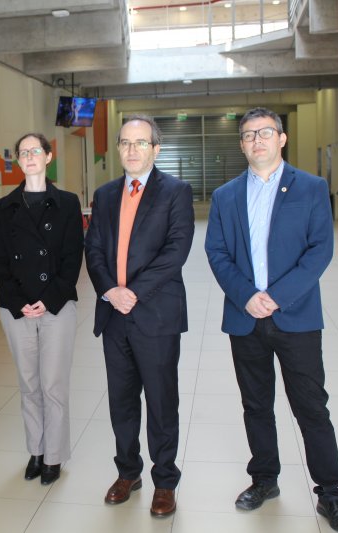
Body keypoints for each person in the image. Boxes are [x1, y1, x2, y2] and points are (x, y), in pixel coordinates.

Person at [204, 107, 338, 532]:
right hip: (245, 318)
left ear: (281, 138)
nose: (257, 140)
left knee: (311, 407)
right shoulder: (226, 196)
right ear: (241, 144)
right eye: (249, 135)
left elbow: (320, 250)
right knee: (256, 405)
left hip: (296, 316)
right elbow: (216, 252)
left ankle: (330, 494)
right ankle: (264, 480)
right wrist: (247, 297)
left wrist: (276, 297)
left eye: (265, 132)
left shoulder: (311, 187)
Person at [85, 115, 194, 518]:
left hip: (156, 314)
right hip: (114, 315)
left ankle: (165, 480)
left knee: (162, 402)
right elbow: (94, 248)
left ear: (156, 149)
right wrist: (110, 290)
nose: (132, 150)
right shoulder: (105, 195)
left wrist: (133, 291)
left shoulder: (176, 191)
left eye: (141, 143)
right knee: (122, 401)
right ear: (118, 149)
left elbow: (176, 250)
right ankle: (128, 472)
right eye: (125, 143)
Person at [0, 133, 84, 486]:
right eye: (23, 152)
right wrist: (19, 301)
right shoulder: (4, 207)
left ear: (48, 156)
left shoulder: (68, 203)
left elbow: (74, 256)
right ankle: (36, 450)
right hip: (17, 309)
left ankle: (54, 456)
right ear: (18, 160)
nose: (29, 157)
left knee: (53, 385)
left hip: (56, 305)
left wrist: (49, 297)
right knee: (29, 384)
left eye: (35, 151)